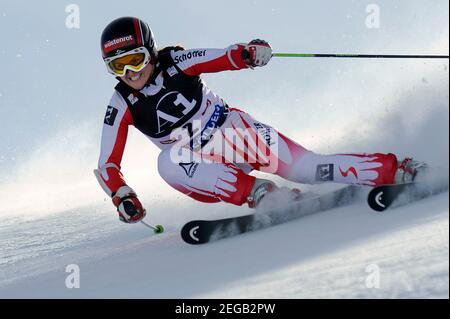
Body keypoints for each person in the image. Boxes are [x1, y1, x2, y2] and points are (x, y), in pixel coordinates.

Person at [95, 17, 421, 224]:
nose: (131, 73)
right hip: (199, 165)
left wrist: (248, 53)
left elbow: (220, 56)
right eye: (118, 66)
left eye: (135, 60)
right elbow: (108, 164)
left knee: (309, 169)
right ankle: (261, 193)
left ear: (150, 51)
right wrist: (123, 195)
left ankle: (400, 169)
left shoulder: (176, 62)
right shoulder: (121, 103)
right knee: (168, 161)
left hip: (233, 132)